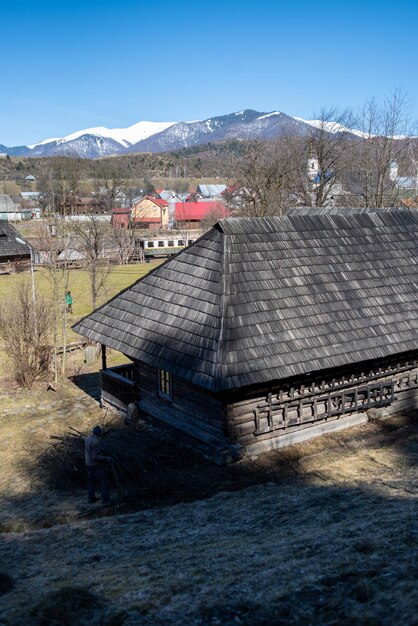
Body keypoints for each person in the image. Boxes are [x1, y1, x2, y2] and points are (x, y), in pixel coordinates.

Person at [84, 425, 112, 505]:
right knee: (104, 481)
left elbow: (90, 451)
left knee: (92, 481)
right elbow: (95, 457)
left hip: (88, 463)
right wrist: (106, 458)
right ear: (99, 434)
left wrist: (100, 450)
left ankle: (91, 498)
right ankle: (105, 500)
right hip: (95, 465)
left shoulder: (87, 438)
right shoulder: (95, 442)